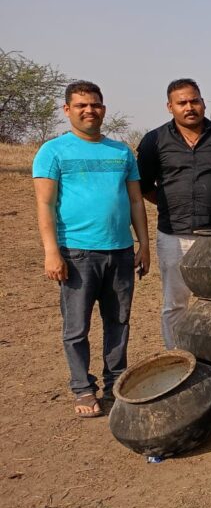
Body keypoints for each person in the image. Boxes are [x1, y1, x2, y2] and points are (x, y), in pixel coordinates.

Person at [32, 81, 150, 417]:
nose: (90, 110)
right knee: (76, 327)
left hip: (121, 251)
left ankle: (115, 385)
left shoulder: (121, 152)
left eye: (95, 104)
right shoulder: (53, 152)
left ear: (103, 108)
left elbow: (136, 200)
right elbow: (44, 204)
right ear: (67, 110)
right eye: (81, 105)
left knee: (119, 322)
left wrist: (143, 244)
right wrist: (51, 251)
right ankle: (83, 389)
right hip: (76, 253)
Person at [137, 78, 211, 349]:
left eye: (194, 101)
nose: (189, 107)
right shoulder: (154, 140)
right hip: (173, 235)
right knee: (175, 302)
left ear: (203, 103)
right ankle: (177, 357)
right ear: (170, 107)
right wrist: (171, 205)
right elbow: (144, 186)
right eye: (182, 103)